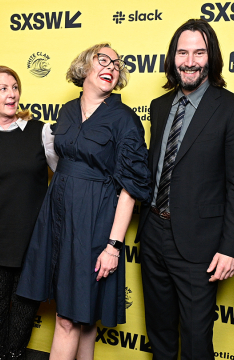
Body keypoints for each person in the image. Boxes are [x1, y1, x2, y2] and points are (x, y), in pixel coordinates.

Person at [134, 19, 234, 360]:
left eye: (199, 52)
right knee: (158, 331)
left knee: (194, 337)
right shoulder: (160, 107)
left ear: (212, 57)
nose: (190, 60)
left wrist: (231, 249)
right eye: (182, 52)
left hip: (200, 243)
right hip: (154, 232)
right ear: (173, 58)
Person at [17, 43, 150, 360]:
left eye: (117, 64)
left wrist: (113, 246)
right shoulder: (66, 111)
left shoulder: (125, 120)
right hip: (58, 215)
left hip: (95, 220)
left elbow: (131, 187)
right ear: (84, 67)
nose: (112, 66)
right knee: (84, 318)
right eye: (103, 59)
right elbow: (56, 159)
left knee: (68, 317)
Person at [0, 65, 57, 360]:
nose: (12, 93)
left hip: (31, 240)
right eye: (3, 88)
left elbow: (64, 176)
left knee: (24, 312)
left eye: (14, 87)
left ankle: (13, 356)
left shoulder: (40, 131)